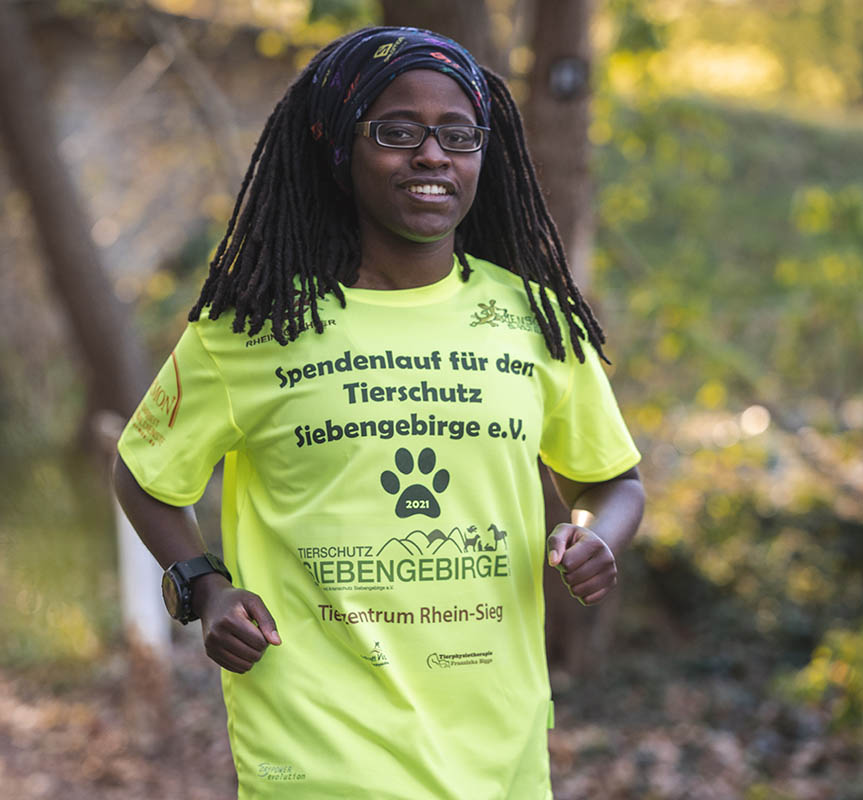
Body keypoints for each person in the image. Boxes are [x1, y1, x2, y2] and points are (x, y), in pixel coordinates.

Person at [114, 25, 645, 799]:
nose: (433, 155)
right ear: (338, 147)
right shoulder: (257, 327)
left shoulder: (535, 321)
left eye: (459, 136)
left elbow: (613, 480)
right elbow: (142, 471)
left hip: (495, 754)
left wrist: (595, 537)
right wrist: (203, 586)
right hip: (319, 754)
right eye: (398, 131)